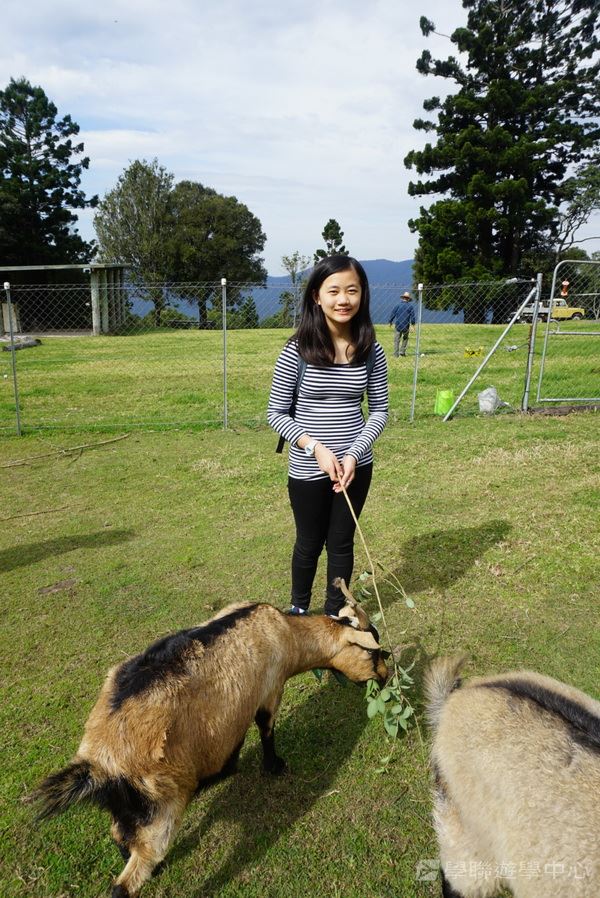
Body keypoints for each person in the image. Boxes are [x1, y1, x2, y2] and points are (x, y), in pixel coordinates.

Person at [267, 255, 388, 617]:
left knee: (341, 542)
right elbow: (276, 413)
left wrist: (354, 454)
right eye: (333, 291)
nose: (343, 299)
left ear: (362, 294)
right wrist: (315, 448)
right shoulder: (296, 350)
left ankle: (336, 613)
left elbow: (379, 410)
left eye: (352, 290)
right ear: (316, 297)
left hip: (355, 467)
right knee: (308, 542)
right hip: (308, 467)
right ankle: (299, 611)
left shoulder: (371, 350)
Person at [389, 290, 415, 357]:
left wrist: (390, 322)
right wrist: (413, 325)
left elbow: (393, 314)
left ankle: (396, 354)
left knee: (396, 340)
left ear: (403, 298)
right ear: (408, 299)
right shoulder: (410, 307)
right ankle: (402, 352)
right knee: (405, 338)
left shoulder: (397, 305)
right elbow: (412, 317)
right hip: (406, 326)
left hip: (398, 325)